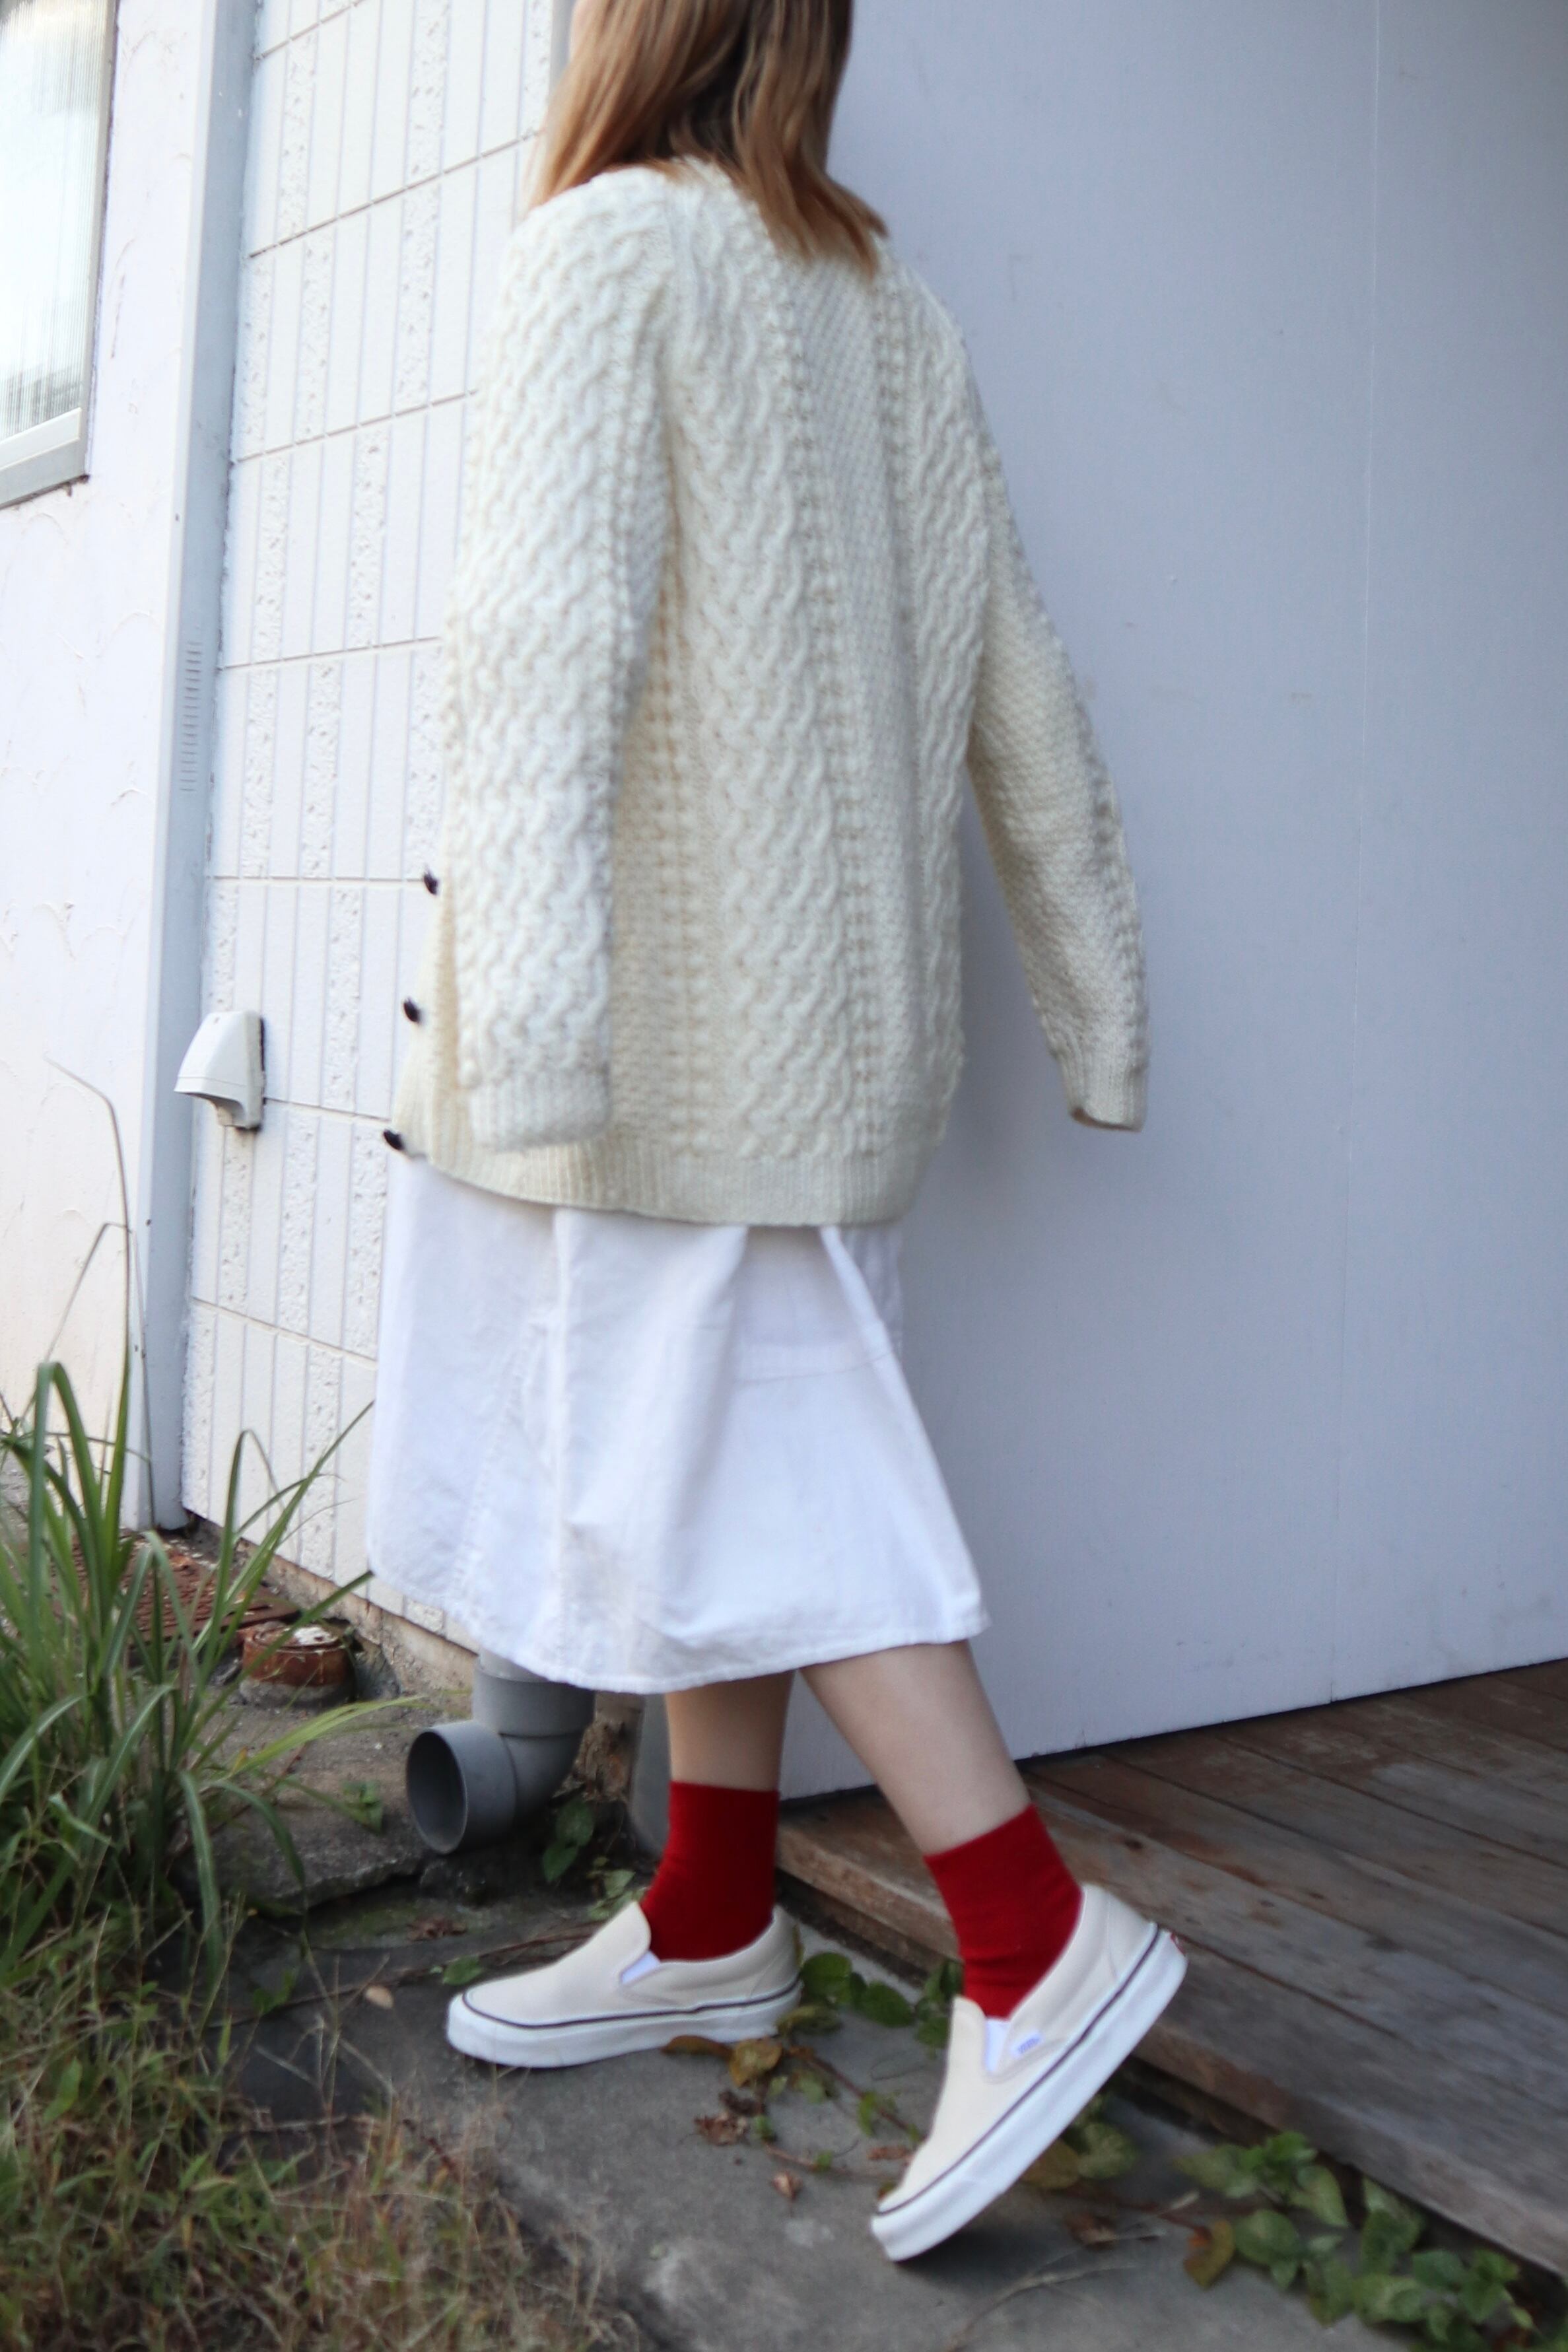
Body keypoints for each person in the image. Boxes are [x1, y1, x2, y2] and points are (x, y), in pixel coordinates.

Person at [367, 0, 1183, 2264]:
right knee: (737, 1473)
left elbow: (538, 658)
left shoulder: (600, 252)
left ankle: (1030, 1935)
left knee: (766, 1481)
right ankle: (714, 1909)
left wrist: (532, 1043)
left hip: (659, 1049)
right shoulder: (887, 300)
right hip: (835, 1058)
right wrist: (1098, 1001)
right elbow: (1025, 673)